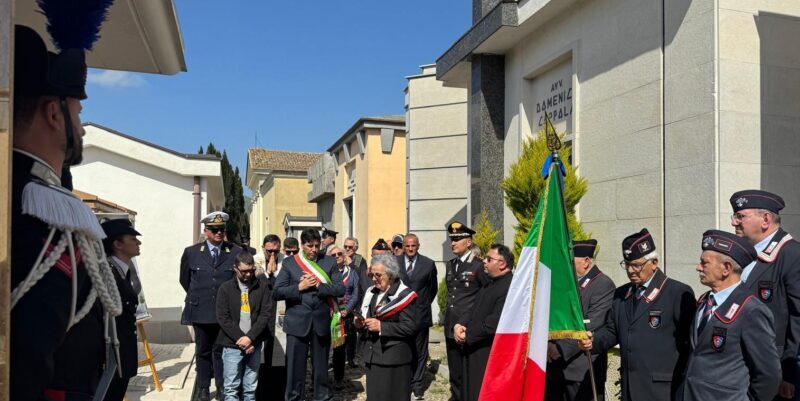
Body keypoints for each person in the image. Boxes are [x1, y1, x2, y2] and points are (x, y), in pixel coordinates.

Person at [10, 25, 123, 401]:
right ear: (53, 115)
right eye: (77, 110)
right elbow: (27, 355)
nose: (83, 129)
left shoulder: (36, 197)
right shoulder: (42, 216)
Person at [579, 228, 695, 401]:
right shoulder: (621, 294)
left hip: (663, 391)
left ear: (654, 262)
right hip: (629, 389)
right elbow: (613, 331)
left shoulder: (676, 293)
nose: (631, 270)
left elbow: (689, 346)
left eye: (637, 265)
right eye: (627, 265)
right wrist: (592, 340)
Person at [679, 230, 780, 401]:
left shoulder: (752, 310)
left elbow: (769, 375)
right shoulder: (704, 303)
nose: (698, 267)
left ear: (726, 268)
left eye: (704, 263)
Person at [729, 190, 800, 400]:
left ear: (766, 219)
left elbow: (798, 318)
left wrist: (789, 374)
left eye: (741, 216)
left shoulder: (791, 254)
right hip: (745, 367)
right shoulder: (748, 255)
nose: (734, 222)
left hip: (776, 372)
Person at [274, 229, 345, 401]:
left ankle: (322, 396)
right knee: (294, 368)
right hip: (297, 322)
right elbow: (277, 292)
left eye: (317, 245)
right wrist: (300, 287)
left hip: (320, 321)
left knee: (321, 367)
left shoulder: (329, 262)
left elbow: (340, 288)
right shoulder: (290, 263)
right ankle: (294, 397)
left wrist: (319, 285)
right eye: (309, 246)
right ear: (302, 245)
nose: (314, 250)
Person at [179, 211, 243, 401]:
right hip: (201, 310)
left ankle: (222, 388)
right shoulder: (191, 252)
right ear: (205, 231)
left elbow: (237, 281)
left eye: (221, 229)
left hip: (225, 313)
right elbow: (185, 280)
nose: (218, 233)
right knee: (203, 350)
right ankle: (204, 388)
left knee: (222, 351)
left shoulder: (235, 251)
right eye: (214, 230)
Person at [546, 239, 615, 401]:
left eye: (570, 260)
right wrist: (549, 345)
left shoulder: (603, 284)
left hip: (582, 370)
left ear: (586, 261)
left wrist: (560, 349)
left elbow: (591, 323)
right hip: (557, 366)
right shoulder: (568, 284)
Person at [453, 244, 514, 401]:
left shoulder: (509, 287)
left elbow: (494, 322)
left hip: (488, 352)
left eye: (489, 259)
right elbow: (472, 308)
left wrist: (468, 334)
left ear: (502, 263)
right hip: (473, 348)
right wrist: (460, 324)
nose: (484, 262)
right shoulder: (489, 283)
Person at [355, 255, 418, 401]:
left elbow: (410, 327)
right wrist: (360, 325)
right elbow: (370, 319)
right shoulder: (372, 292)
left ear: (390, 275)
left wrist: (381, 326)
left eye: (378, 275)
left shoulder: (404, 295)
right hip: (374, 356)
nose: (374, 278)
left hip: (393, 358)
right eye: (372, 274)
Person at [216, 252, 275, 401]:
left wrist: (250, 337)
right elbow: (223, 318)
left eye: (251, 270)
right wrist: (241, 338)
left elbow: (265, 315)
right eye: (244, 271)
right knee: (231, 389)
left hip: (254, 343)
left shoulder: (262, 287)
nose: (248, 274)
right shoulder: (225, 288)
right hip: (232, 344)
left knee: (250, 388)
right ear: (235, 268)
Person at [444, 221, 488, 401]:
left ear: (469, 242)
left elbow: (485, 297)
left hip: (468, 327)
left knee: (470, 370)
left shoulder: (478, 266)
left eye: (458, 239)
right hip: (451, 325)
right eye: (452, 239)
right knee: (455, 371)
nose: (453, 243)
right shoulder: (451, 264)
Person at [101, 219, 143, 401]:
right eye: (133, 238)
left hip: (122, 354)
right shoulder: (107, 274)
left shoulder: (121, 271)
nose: (138, 242)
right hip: (111, 357)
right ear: (117, 244)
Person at [397, 233, 439, 400]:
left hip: (420, 314)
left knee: (420, 352)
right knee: (403, 349)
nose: (410, 248)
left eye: (413, 245)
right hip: (400, 315)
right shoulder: (396, 262)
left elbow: (432, 289)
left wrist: (422, 304)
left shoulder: (428, 264)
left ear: (418, 246)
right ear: (403, 247)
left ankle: (418, 385)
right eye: (407, 245)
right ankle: (404, 382)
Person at [254, 234, 286, 401]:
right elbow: (253, 284)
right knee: (260, 358)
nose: (272, 255)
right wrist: (267, 273)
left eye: (276, 251)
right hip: (260, 315)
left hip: (279, 313)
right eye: (269, 251)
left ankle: (278, 392)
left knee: (278, 356)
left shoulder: (286, 261)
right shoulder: (255, 261)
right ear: (263, 248)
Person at [330, 246, 360, 387]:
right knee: (322, 348)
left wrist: (347, 310)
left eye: (339, 253)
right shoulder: (326, 273)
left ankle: (338, 378)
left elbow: (355, 293)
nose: (337, 256)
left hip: (345, 315)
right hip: (329, 313)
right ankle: (318, 379)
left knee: (340, 348)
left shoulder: (352, 273)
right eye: (333, 254)